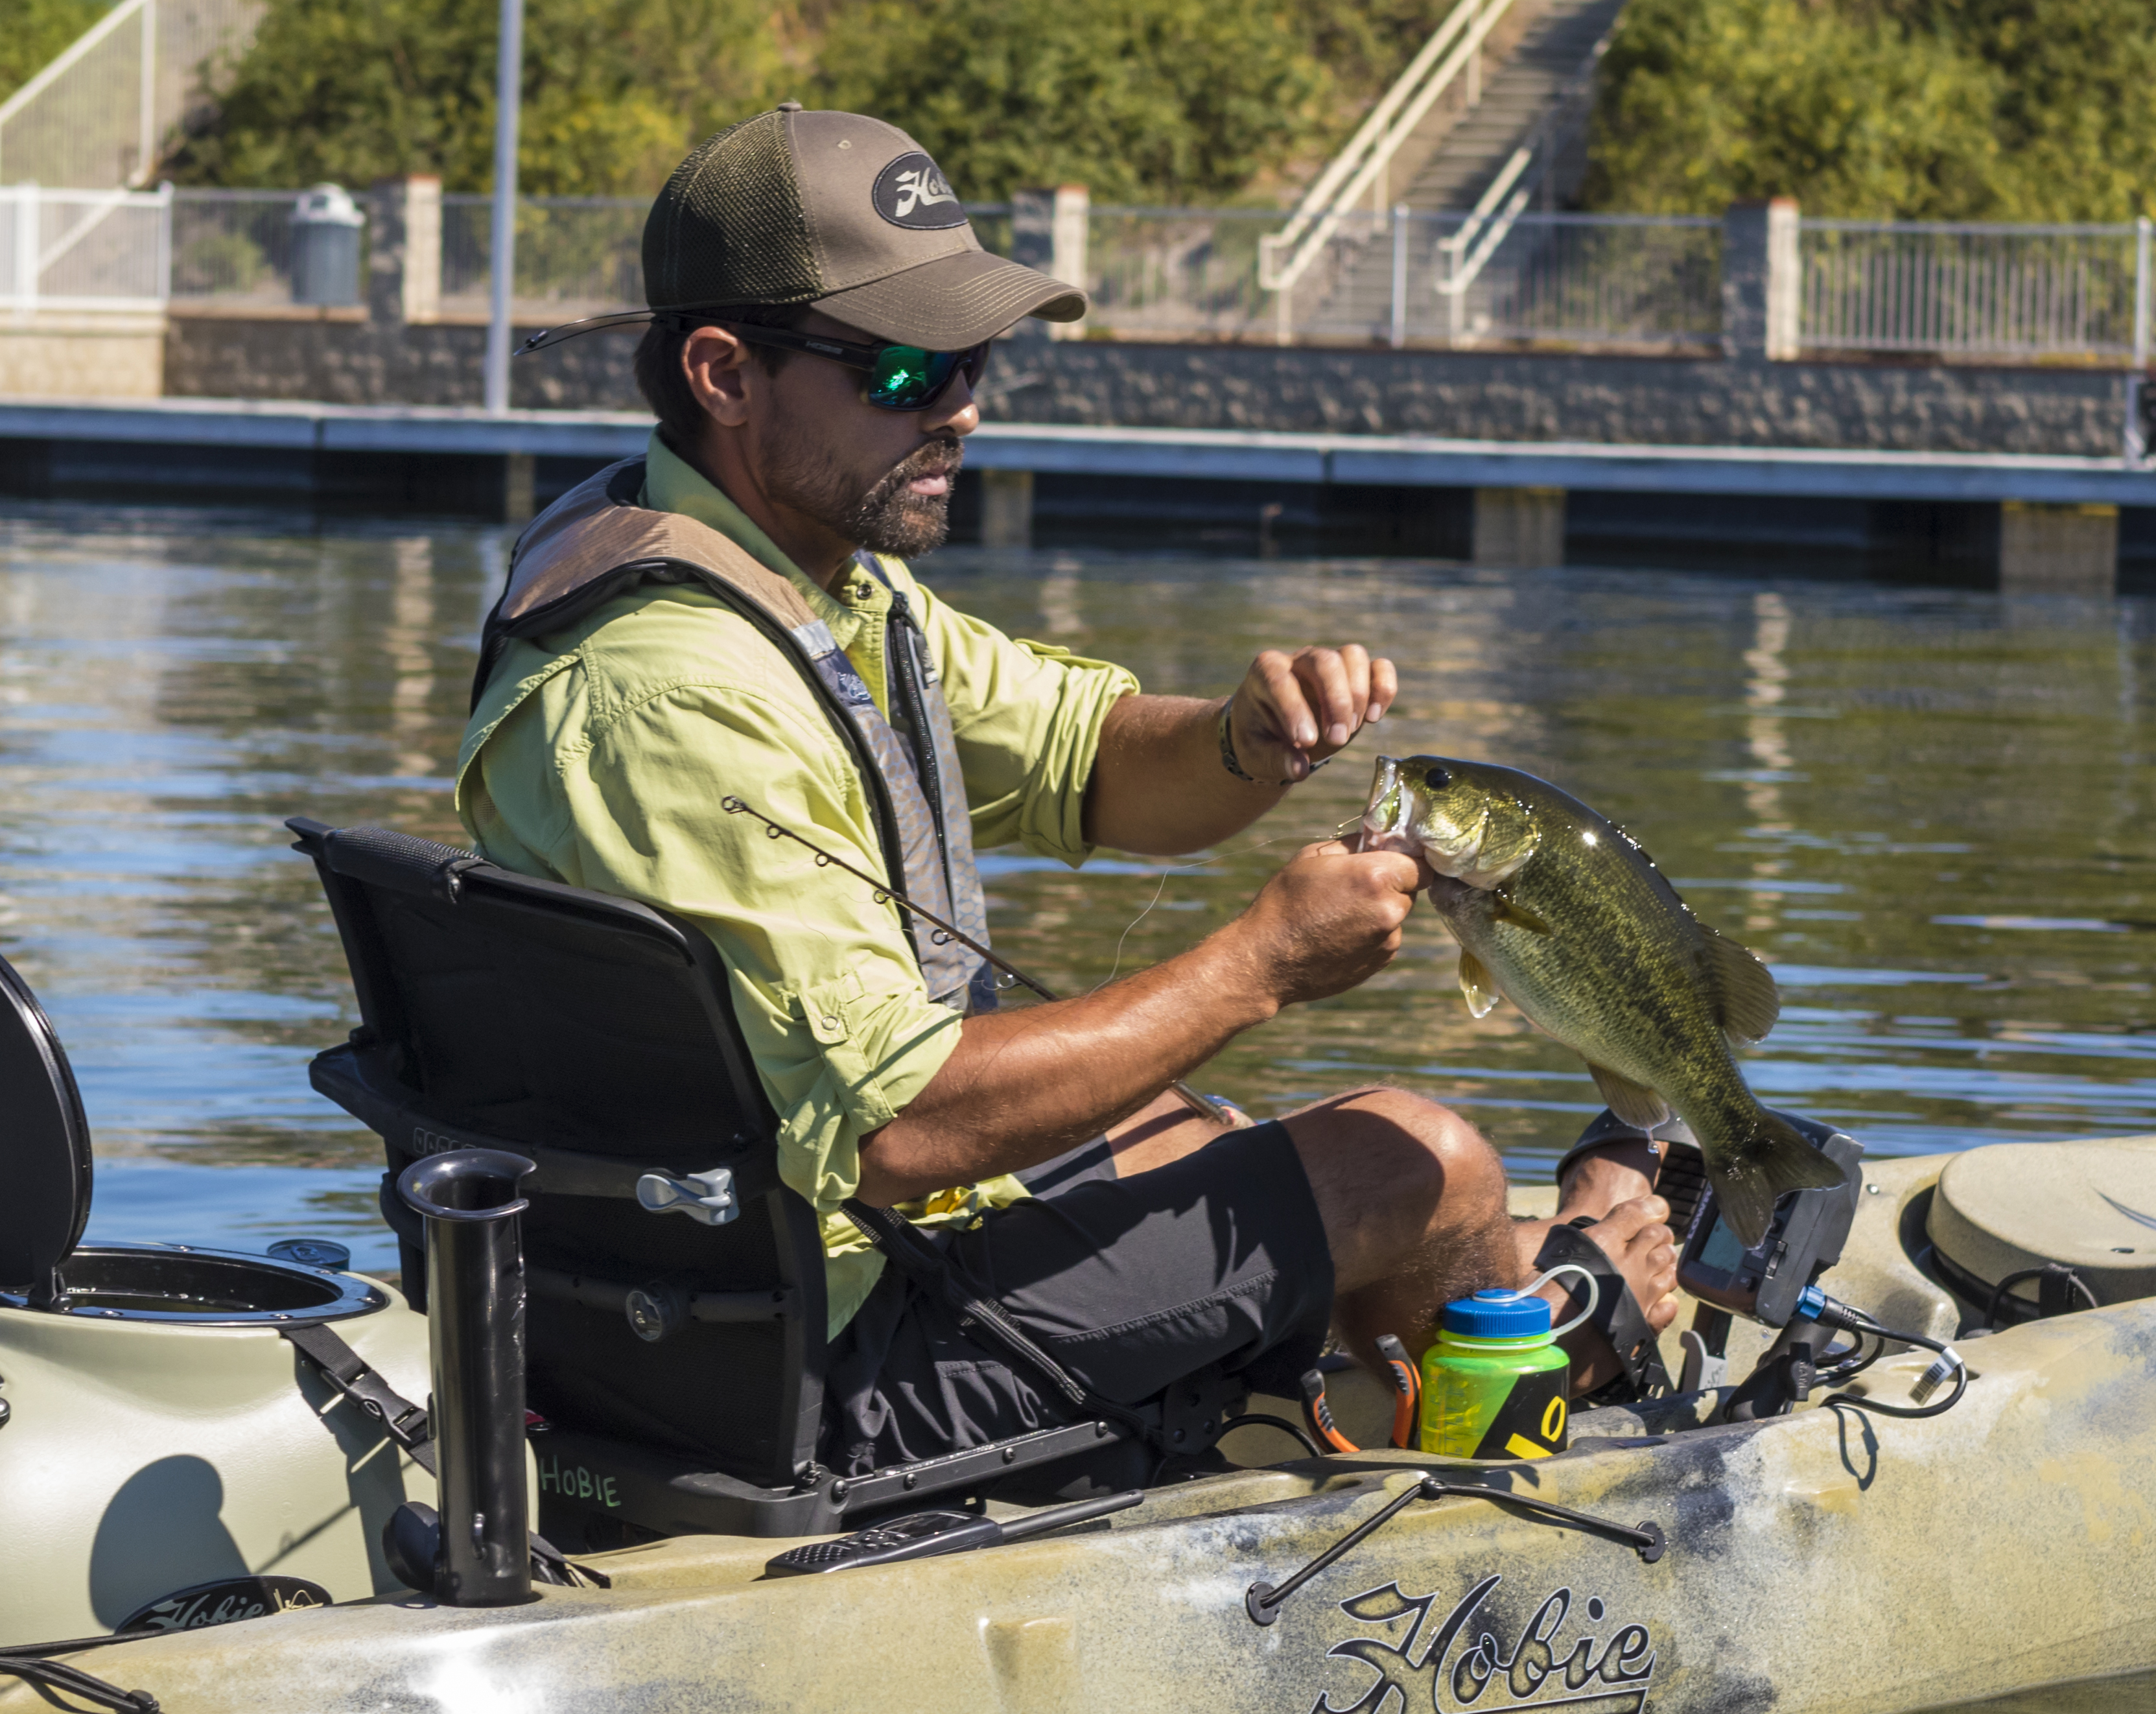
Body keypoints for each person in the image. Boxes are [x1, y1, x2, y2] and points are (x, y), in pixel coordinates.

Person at [455, 104, 1681, 1477]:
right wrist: (1263, 963)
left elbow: (1088, 760)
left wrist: (1244, 737)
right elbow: (902, 1128)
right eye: (910, 369)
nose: (965, 405)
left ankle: (1498, 1318)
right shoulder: (671, 691)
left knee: (1201, 1132)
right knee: (1420, 1159)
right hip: (802, 1367)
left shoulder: (794, 575)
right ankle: (1554, 1366)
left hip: (753, 1278)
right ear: (726, 373)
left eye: (977, 358)